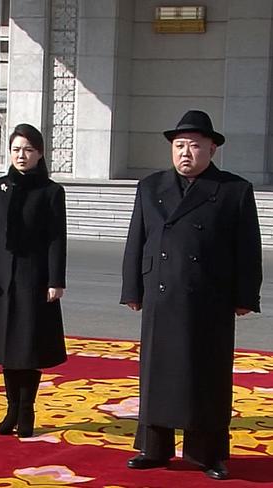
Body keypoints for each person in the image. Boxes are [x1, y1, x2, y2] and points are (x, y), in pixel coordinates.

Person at [120, 110, 263, 480]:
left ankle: (208, 453)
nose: (186, 153)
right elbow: (138, 240)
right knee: (156, 373)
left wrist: (246, 294)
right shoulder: (150, 187)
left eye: (195, 146)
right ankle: (154, 448)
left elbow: (247, 248)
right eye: (179, 145)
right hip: (161, 295)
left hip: (209, 299)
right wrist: (132, 288)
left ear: (211, 149)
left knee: (207, 376)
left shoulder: (234, 190)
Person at [0, 123, 67, 438]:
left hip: (34, 278)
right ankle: (11, 409)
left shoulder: (51, 191)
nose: (21, 155)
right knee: (6, 348)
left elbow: (57, 239)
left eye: (27, 149)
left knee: (28, 347)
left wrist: (56, 279)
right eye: (15, 150)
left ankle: (27, 410)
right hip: (1, 277)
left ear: (39, 153)